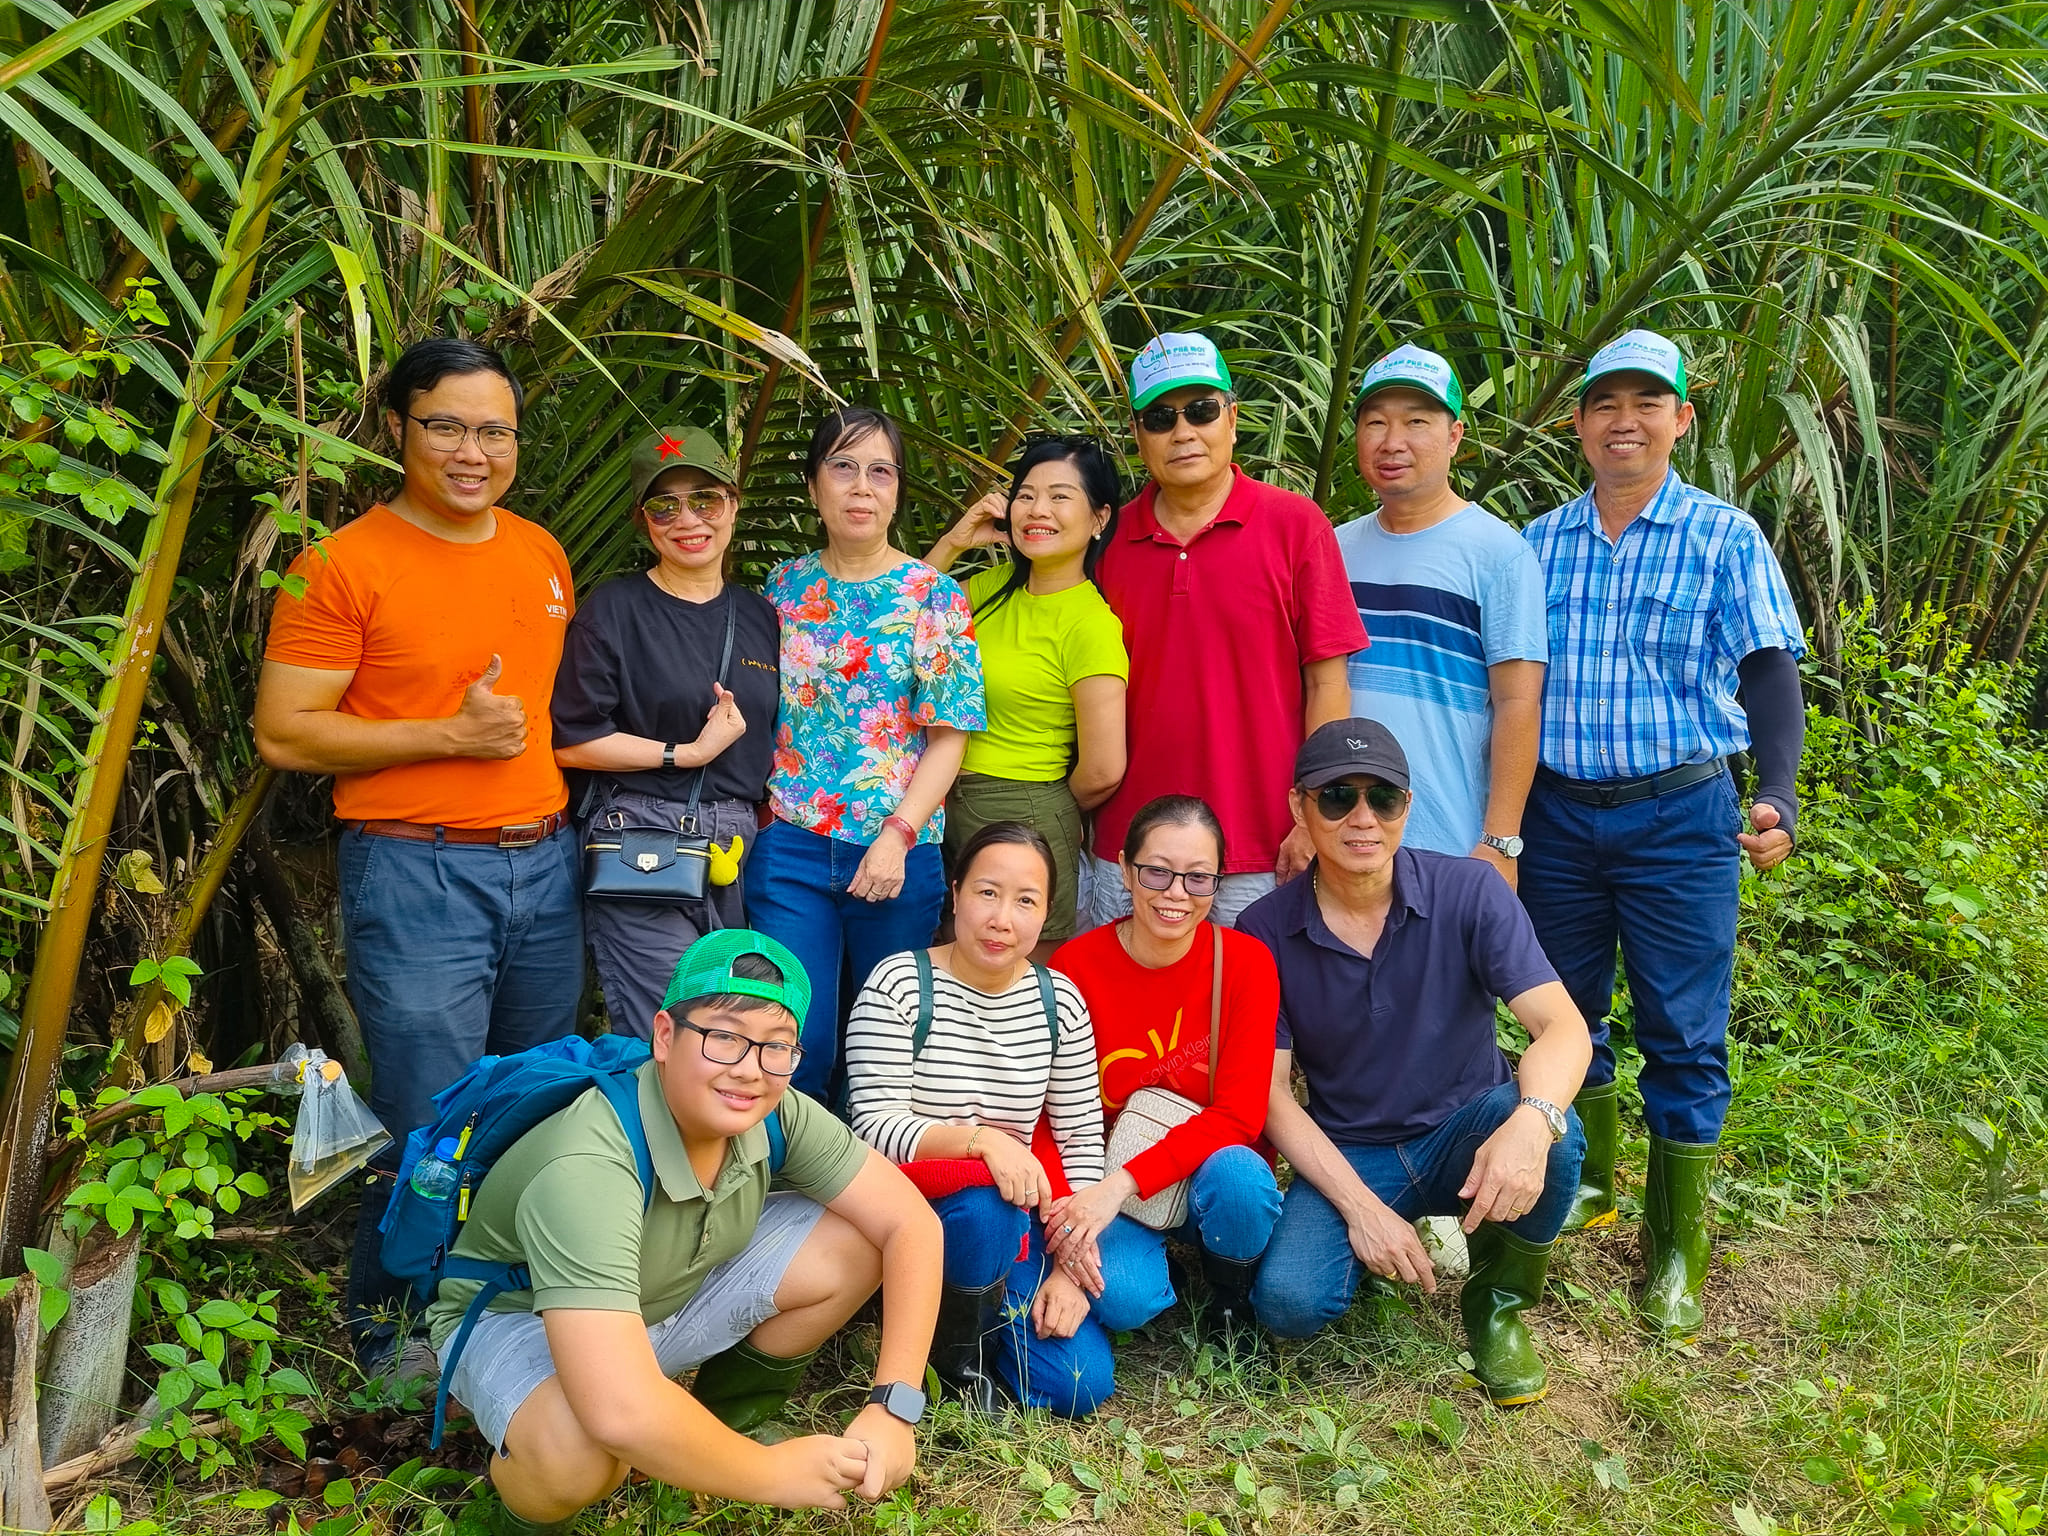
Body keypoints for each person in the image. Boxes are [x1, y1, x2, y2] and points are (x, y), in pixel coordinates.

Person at [254, 337, 582, 1379]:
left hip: (544, 864)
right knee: (431, 1118)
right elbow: (285, 731)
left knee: (535, 1106)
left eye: (494, 430)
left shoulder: (539, 551)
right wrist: (447, 737)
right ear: (398, 429)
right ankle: (394, 1337)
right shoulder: (342, 562)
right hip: (415, 870)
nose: (471, 450)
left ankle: (506, 1312)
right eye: (446, 425)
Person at [425, 931, 943, 1536]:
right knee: (580, 1451)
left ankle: (721, 1428)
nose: (750, 1070)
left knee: (855, 1239)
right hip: (520, 1319)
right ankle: (519, 1515)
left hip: (656, 1296)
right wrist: (771, 1474)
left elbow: (911, 1222)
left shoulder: (777, 1112)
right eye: (724, 1037)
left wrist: (894, 1406)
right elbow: (617, 1409)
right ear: (666, 1037)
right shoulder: (589, 1162)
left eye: (777, 1047)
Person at [1519, 329, 1807, 1340]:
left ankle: (1673, 1246)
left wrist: (1775, 794)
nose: (1624, 421)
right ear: (1578, 423)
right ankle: (1588, 1182)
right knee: (1562, 1017)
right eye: (1605, 403)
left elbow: (1768, 671)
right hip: (1553, 814)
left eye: (1648, 402)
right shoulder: (1536, 542)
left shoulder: (1722, 538)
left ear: (1681, 420)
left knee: (1683, 1035)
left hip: (1678, 814)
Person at [1239, 720, 1591, 1407]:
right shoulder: (1264, 929)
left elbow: (1564, 1029)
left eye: (1384, 798)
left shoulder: (1471, 892)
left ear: (1408, 804)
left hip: (1469, 1126)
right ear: (1298, 807)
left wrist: (1531, 1121)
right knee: (1288, 1303)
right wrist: (1360, 1210)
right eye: (1338, 797)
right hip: (1354, 1147)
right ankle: (1380, 1242)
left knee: (1560, 1131)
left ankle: (1496, 1304)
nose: (1362, 818)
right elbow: (1273, 1096)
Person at [1086, 332, 1367, 929]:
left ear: (1232, 419)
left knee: (1260, 1018)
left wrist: (1313, 816)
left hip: (1261, 850)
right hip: (1129, 852)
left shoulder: (1296, 526)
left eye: (1201, 410)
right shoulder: (1107, 542)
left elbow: (1329, 684)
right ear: (1138, 437)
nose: (1182, 431)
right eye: (1160, 418)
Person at [746, 407, 987, 1100]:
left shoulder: (933, 596)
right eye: (843, 468)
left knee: (887, 1050)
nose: (861, 487)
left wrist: (898, 834)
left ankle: (878, 1198)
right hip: (790, 849)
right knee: (798, 1035)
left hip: (895, 852)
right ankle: (788, 1196)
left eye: (879, 471)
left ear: (897, 490)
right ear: (814, 486)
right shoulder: (782, 590)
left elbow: (950, 736)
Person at [843, 824, 1115, 1417]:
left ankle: (980, 1323)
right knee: (986, 1200)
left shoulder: (1059, 1001)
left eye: (1026, 901)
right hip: (909, 1206)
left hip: (1007, 1223)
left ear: (1047, 914)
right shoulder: (900, 984)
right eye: (987, 893)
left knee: (1079, 1383)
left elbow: (1081, 1139)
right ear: (956, 889)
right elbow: (871, 1127)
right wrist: (981, 1142)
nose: (1002, 920)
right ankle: (953, 1365)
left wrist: (1070, 1260)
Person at [552, 427, 779, 1037]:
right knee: (678, 1034)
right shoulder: (615, 608)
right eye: (665, 505)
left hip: (739, 847)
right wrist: (687, 753)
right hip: (644, 839)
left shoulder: (759, 614)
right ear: (642, 519)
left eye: (704, 500)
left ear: (733, 504)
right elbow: (572, 738)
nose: (688, 519)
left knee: (735, 1027)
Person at [1049, 795, 1282, 1333]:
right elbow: (1050, 1108)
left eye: (1198, 878)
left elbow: (1242, 1116)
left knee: (1241, 1178)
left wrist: (1123, 1184)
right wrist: (1089, 1199)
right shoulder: (1075, 965)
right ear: (1126, 870)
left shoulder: (1245, 964)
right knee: (1124, 1302)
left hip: (1199, 1172)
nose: (1176, 894)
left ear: (1218, 882)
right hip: (1106, 1168)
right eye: (1157, 872)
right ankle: (1163, 1263)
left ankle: (1231, 1293)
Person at [1338, 344, 1545, 885]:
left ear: (1454, 436)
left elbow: (1518, 702)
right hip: (1340, 832)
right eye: (1376, 422)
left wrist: (1500, 842)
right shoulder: (1332, 550)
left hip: (1448, 842)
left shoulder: (1499, 553)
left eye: (1417, 422)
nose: (1392, 441)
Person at [925, 434, 1129, 954]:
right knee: (951, 968)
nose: (1039, 510)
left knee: (1015, 978)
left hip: (1025, 808)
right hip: (939, 802)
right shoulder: (988, 588)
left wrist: (1045, 807)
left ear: (1099, 518)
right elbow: (897, 619)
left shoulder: (1090, 624)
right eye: (1026, 494)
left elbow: (1104, 767)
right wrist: (954, 541)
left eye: (1061, 496)